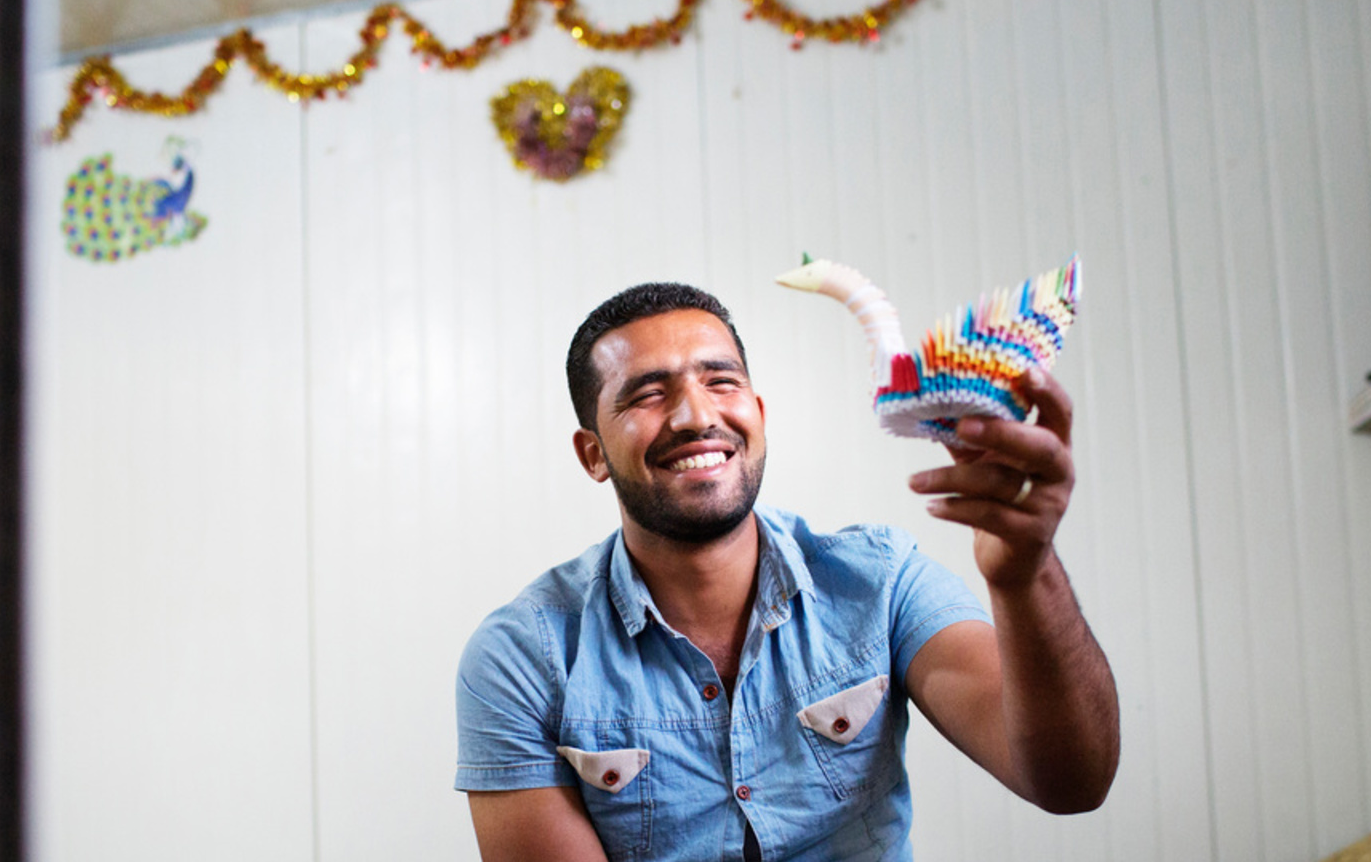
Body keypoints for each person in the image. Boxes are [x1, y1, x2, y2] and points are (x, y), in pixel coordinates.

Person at [454, 282, 1119, 862]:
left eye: (721, 381)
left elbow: (1072, 783)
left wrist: (1025, 574)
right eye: (648, 394)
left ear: (758, 416)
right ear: (593, 454)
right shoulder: (523, 655)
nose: (697, 415)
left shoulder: (880, 581)